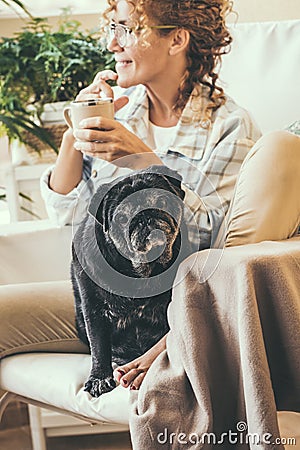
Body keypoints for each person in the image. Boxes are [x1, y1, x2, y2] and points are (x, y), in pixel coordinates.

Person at [1, 0, 299, 395]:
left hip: (174, 312)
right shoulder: (119, 116)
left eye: (126, 28)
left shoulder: (229, 127)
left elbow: (220, 241)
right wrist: (74, 134)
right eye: (112, 27)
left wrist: (144, 161)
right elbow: (70, 218)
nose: (111, 43)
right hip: (104, 306)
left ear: (176, 39)